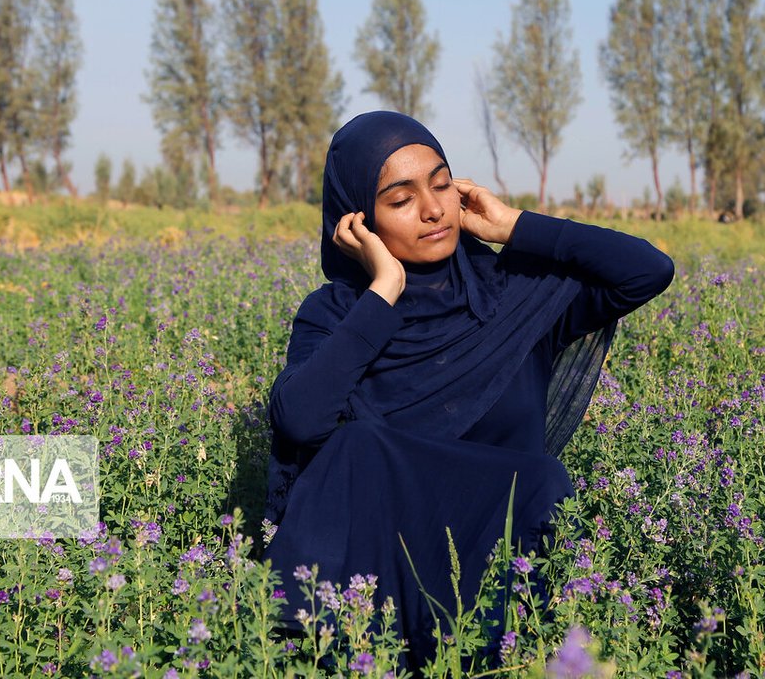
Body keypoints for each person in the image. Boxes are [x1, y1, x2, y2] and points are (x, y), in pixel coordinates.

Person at [262, 110, 673, 668]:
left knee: (541, 480)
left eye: (442, 184)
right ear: (359, 223)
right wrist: (383, 291)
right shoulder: (338, 313)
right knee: (357, 446)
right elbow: (299, 421)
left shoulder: (518, 297)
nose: (433, 209)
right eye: (401, 199)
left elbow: (647, 270)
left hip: (499, 570)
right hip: (380, 581)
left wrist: (513, 226)